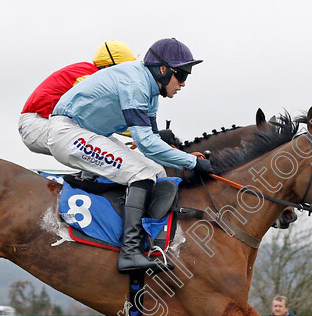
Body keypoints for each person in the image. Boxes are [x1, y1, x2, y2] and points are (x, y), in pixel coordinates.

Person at [48, 37, 214, 273]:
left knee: (155, 171)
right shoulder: (135, 82)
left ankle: (148, 241)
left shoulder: (151, 93)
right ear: (164, 70)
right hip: (67, 133)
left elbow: (153, 144)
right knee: (142, 172)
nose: (184, 84)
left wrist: (189, 159)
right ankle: (129, 252)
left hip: (88, 133)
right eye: (182, 75)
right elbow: (145, 143)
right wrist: (192, 162)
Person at [18, 41, 137, 156]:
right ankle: (88, 176)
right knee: (106, 149)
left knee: (116, 150)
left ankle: (88, 176)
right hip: (37, 124)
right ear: (107, 66)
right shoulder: (89, 77)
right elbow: (104, 117)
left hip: (47, 124)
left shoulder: (90, 72)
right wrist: (141, 134)